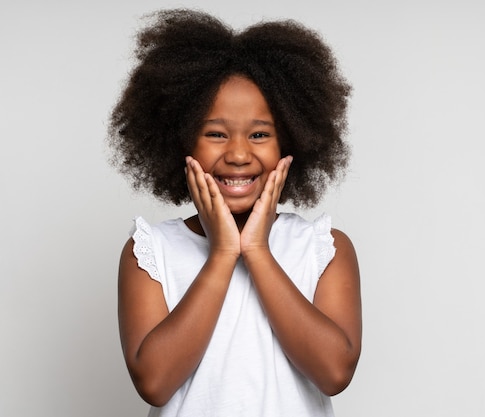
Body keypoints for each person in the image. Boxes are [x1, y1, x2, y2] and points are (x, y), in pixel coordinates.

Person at [107, 8, 361, 417]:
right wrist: (224, 253)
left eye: (259, 134)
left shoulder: (323, 248)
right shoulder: (150, 252)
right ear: (181, 140)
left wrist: (257, 250)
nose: (239, 154)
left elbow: (334, 372)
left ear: (291, 140)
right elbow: (154, 383)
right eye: (216, 134)